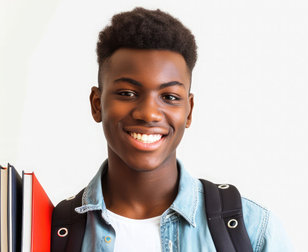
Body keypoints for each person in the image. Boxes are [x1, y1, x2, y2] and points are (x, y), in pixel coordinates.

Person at [53, 7, 292, 251]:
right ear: (97, 104)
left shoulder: (254, 230)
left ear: (189, 110)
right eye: (127, 93)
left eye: (169, 96)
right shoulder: (48, 232)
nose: (149, 113)